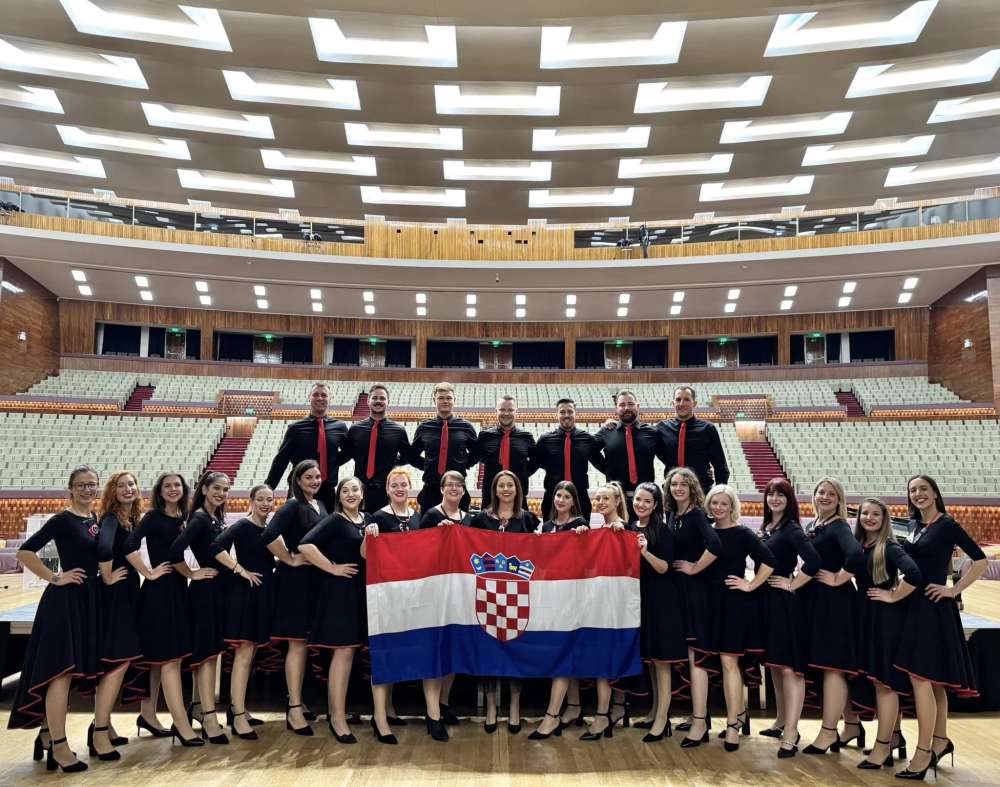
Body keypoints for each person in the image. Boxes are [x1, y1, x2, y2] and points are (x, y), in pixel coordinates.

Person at [8, 467, 103, 772]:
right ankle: (60, 746)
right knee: (60, 672)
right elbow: (25, 552)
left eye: (92, 484)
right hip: (64, 602)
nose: (87, 489)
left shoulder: (94, 518)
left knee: (69, 674)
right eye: (81, 485)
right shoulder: (62, 520)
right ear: (70, 488)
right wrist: (55, 577)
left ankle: (47, 734)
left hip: (86, 601)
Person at [894, 475, 987, 780]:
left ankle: (923, 753)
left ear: (935, 493)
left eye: (923, 489)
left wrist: (953, 589)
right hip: (912, 605)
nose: (917, 494)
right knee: (932, 680)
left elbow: (979, 560)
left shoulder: (946, 524)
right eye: (912, 490)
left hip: (933, 607)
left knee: (921, 676)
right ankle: (940, 740)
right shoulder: (914, 524)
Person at [124, 472, 203, 746]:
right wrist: (148, 572)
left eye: (177, 485)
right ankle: (181, 724)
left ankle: (147, 714)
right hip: (159, 594)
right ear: (160, 491)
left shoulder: (186, 517)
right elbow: (129, 545)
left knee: (159, 660)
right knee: (171, 659)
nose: (172, 489)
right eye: (167, 485)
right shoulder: (153, 517)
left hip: (179, 590)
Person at [298, 477, 376, 744]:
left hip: (359, 591)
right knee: (343, 653)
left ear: (362, 494)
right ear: (339, 497)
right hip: (339, 593)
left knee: (350, 652)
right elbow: (305, 545)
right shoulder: (334, 520)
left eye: (355, 489)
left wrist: (369, 536)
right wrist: (331, 567)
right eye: (345, 490)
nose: (350, 494)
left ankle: (337, 712)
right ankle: (337, 717)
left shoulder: (367, 519)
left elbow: (365, 554)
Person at [847, 497, 922, 770]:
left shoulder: (889, 546)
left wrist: (892, 596)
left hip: (884, 621)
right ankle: (894, 737)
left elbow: (914, 574)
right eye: (864, 513)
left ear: (884, 519)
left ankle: (882, 748)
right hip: (866, 619)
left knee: (884, 684)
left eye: (875, 514)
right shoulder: (861, 545)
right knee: (880, 681)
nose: (869, 518)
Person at [704, 484, 775, 753]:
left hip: (734, 604)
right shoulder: (706, 530)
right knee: (720, 664)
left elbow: (768, 561)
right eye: (714, 502)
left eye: (724, 503)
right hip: (711, 604)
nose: (718, 507)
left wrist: (750, 584)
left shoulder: (743, 532)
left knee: (729, 662)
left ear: (732, 506)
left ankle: (733, 724)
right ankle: (740, 714)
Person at [469, 471, 539, 734]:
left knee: (515, 651)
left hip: (517, 596)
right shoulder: (481, 518)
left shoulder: (528, 519)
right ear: (494, 490)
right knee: (489, 651)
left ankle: (514, 707)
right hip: (487, 595)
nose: (506, 489)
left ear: (517, 489)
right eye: (501, 485)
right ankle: (490, 707)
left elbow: (539, 552)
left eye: (511, 484)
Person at [797, 477, 862, 757]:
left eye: (831, 494)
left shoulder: (838, 526)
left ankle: (828, 732)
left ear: (839, 500)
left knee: (833, 667)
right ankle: (852, 724)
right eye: (820, 492)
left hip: (834, 603)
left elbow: (856, 556)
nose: (824, 496)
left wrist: (838, 578)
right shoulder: (814, 524)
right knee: (830, 667)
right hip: (816, 601)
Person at [756, 477, 820, 759]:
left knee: (789, 668)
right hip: (766, 601)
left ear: (789, 499)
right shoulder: (767, 527)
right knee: (774, 665)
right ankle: (781, 721)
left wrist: (792, 583)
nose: (774, 499)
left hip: (784, 603)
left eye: (780, 494)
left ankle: (792, 732)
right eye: (770, 494)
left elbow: (814, 561)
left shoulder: (792, 528)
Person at [262, 459, 327, 736]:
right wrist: (289, 559)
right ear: (297, 480)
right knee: (297, 645)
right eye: (308, 477)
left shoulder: (319, 504)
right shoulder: (291, 505)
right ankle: (294, 707)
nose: (314, 481)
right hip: (295, 584)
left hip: (315, 582)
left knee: (305, 644)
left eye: (317, 476)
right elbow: (268, 535)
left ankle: (299, 701)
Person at [210, 484, 277, 741]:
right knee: (244, 654)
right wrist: (239, 569)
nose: (265, 504)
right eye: (260, 499)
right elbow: (216, 547)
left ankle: (238, 709)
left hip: (262, 594)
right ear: (251, 500)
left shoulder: (268, 527)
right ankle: (237, 714)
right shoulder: (242, 525)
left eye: (269, 500)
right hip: (247, 595)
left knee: (251, 653)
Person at [168, 470, 230, 745]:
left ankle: (197, 708)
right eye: (216, 488)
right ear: (204, 489)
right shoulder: (200, 518)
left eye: (225, 489)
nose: (221, 493)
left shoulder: (215, 516)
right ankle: (209, 717)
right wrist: (192, 573)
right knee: (207, 657)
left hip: (217, 591)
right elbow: (175, 551)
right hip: (205, 593)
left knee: (211, 655)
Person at [666, 466, 722, 748]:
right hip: (678, 593)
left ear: (692, 488)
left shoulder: (697, 514)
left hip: (695, 593)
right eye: (674, 484)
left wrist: (695, 567)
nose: (678, 488)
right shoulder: (672, 515)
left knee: (696, 656)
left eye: (683, 484)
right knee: (688, 655)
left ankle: (700, 722)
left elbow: (716, 545)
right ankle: (698, 715)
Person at [528, 481, 588, 740]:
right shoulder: (546, 527)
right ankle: (573, 706)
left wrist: (585, 537)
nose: (561, 500)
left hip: (571, 597)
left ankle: (552, 715)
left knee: (563, 652)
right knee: (564, 651)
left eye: (566, 496)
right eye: (558, 495)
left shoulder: (580, 525)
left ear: (574, 501)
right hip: (551, 597)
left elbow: (586, 559)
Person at [628, 481, 687, 743]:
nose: (641, 504)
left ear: (655, 506)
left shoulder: (662, 530)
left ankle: (663, 719)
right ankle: (654, 712)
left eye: (647, 501)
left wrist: (645, 552)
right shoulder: (631, 527)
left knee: (662, 662)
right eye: (638, 499)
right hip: (641, 600)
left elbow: (664, 567)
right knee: (651, 660)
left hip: (662, 601)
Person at [93, 470, 146, 759]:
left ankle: (104, 725)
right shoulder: (112, 518)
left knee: (119, 662)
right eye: (122, 485)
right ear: (112, 491)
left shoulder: (131, 519)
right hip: (117, 596)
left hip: (128, 593)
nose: (128, 489)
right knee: (118, 661)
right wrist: (107, 576)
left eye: (132, 484)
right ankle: (99, 732)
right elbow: (103, 548)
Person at [579, 482, 629, 742]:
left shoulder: (624, 530)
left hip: (617, 607)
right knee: (607, 659)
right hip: (599, 604)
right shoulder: (598, 531)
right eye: (597, 498)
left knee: (607, 661)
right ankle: (612, 711)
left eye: (605, 498)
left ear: (618, 500)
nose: (600, 502)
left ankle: (602, 716)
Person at [265, 382, 349, 511]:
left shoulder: (340, 427)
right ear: (309, 397)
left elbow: (349, 452)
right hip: (300, 490)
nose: (320, 398)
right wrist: (268, 488)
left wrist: (332, 462)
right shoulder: (295, 428)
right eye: (315, 394)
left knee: (328, 524)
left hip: (327, 491)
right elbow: (281, 461)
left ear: (330, 399)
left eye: (324, 395)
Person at [597, 390, 670, 516]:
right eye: (622, 405)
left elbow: (669, 458)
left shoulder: (652, 432)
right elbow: (588, 450)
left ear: (638, 406)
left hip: (646, 499)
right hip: (617, 500)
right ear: (616, 409)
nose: (626, 408)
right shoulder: (606, 432)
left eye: (630, 404)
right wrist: (606, 468)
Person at [409, 382, 478, 512]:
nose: (445, 401)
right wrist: (428, 465)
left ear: (454, 400)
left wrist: (462, 464)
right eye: (441, 398)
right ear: (434, 400)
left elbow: (476, 454)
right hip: (431, 491)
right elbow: (412, 456)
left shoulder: (466, 427)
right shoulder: (424, 427)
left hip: (457, 489)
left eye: (448, 398)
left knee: (458, 525)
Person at [342, 384, 411, 513]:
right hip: (359, 491)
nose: (378, 401)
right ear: (368, 401)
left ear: (388, 402)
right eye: (374, 398)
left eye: (382, 398)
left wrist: (391, 460)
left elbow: (408, 456)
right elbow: (347, 454)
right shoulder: (355, 429)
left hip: (386, 492)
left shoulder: (398, 430)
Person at [532, 398, 604, 521]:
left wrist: (608, 428)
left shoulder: (587, 439)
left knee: (581, 532)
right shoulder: (545, 440)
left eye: (570, 411)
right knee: (551, 532)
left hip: (580, 500)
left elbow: (603, 466)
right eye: (562, 412)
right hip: (552, 499)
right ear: (557, 414)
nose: (566, 415)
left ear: (576, 413)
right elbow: (532, 466)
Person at [656, 386, 729, 494]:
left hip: (701, 491)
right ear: (673, 403)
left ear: (694, 403)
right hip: (672, 492)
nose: (681, 403)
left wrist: (719, 493)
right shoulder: (662, 428)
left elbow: (720, 466)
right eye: (678, 399)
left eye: (687, 399)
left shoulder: (708, 429)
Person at [476, 395, 535, 510]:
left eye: (510, 410)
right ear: (496, 411)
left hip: (518, 497)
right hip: (490, 498)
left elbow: (536, 461)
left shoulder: (526, 437)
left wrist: (522, 473)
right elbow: (475, 457)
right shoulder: (485, 436)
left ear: (516, 411)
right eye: (502, 409)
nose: (506, 413)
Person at [370, 467, 421, 533]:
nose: (399, 489)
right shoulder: (377, 518)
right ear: (387, 489)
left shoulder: (418, 516)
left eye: (403, 485)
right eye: (394, 486)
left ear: (410, 487)